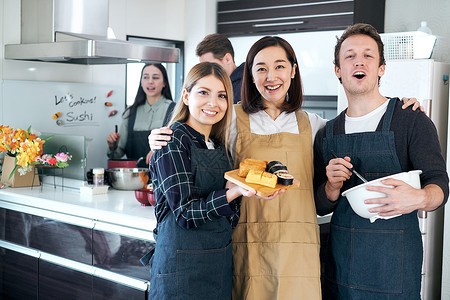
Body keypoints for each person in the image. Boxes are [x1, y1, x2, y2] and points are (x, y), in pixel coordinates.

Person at [149, 36, 422, 299]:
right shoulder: (230, 118)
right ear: (251, 76)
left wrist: (397, 110)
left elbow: (357, 132)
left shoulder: (316, 125)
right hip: (248, 247)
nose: (271, 76)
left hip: (299, 251)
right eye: (261, 68)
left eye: (279, 66)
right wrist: (159, 137)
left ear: (293, 71)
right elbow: (194, 143)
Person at [313, 23, 449, 300]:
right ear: (338, 70)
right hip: (343, 267)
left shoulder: (411, 120)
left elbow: (440, 184)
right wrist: (330, 187)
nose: (358, 61)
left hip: (394, 269)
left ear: (381, 68)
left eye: (368, 55)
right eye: (349, 56)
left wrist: (420, 198)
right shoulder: (327, 133)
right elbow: (319, 205)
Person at [148, 62, 255, 299]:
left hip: (217, 265)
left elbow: (230, 218)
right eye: (203, 92)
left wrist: (236, 193)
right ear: (186, 96)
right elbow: (186, 214)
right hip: (180, 269)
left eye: (221, 96)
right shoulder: (172, 141)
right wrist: (232, 193)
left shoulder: (219, 146)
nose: (213, 103)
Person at [106, 63, 175, 167]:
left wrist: (160, 152)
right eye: (146, 77)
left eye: (155, 77)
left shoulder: (174, 111)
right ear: (141, 82)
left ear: (164, 82)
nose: (150, 81)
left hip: (164, 177)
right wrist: (112, 145)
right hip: (135, 178)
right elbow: (117, 155)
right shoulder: (130, 113)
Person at [196, 33, 245, 104]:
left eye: (211, 65)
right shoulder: (215, 83)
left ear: (227, 59)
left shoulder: (246, 84)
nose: (207, 71)